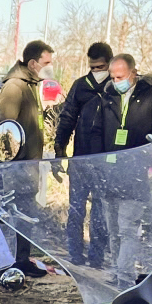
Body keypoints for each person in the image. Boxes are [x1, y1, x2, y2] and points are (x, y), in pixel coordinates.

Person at [96, 53, 152, 282]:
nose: (115, 81)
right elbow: (97, 130)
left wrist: (142, 157)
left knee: (127, 229)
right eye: (112, 77)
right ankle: (115, 269)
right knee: (113, 229)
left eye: (120, 77)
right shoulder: (108, 96)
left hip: (135, 175)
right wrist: (97, 162)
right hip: (109, 174)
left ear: (133, 73)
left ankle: (125, 274)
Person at [0, 40, 55, 277]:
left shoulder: (31, 86)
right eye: (46, 62)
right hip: (17, 168)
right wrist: (12, 165)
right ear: (32, 64)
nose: (50, 67)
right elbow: (5, 130)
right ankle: (10, 263)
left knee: (26, 216)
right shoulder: (15, 87)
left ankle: (22, 259)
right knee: (16, 215)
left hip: (29, 167)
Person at [52, 41, 113, 266]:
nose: (96, 71)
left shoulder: (115, 87)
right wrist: (60, 147)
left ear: (109, 64)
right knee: (76, 210)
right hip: (80, 159)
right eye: (93, 67)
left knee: (100, 213)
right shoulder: (80, 86)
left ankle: (96, 257)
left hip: (105, 161)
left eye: (101, 67)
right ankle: (75, 254)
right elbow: (67, 116)